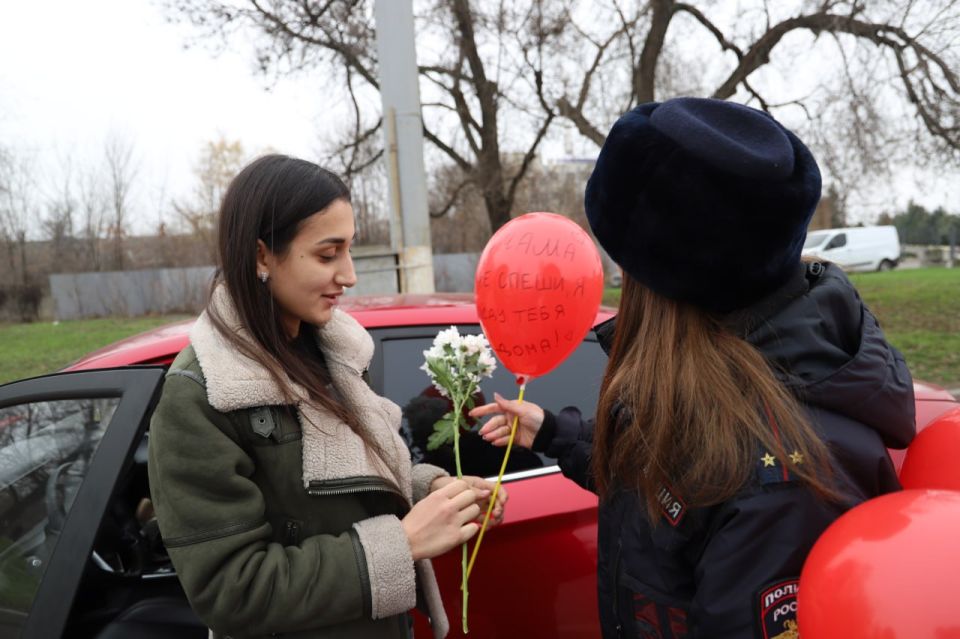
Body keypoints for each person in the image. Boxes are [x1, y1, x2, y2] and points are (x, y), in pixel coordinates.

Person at [471, 98, 915, 638]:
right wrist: (559, 433)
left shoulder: (778, 479)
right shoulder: (711, 393)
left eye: (624, 262)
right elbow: (662, 484)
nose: (615, 275)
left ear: (661, 278)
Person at [147, 154, 506, 639]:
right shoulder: (201, 394)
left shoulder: (335, 354)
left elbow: (344, 490)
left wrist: (431, 493)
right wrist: (401, 542)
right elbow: (232, 591)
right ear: (261, 256)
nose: (350, 274)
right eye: (327, 254)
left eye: (349, 250)